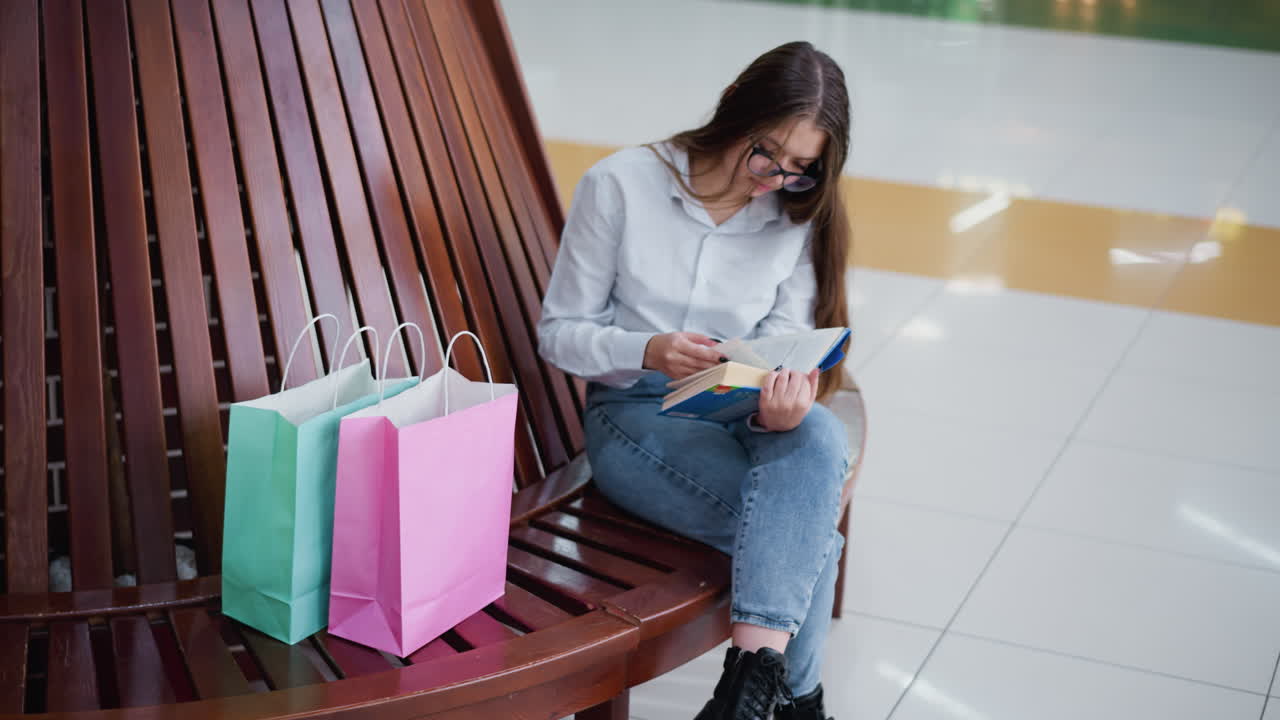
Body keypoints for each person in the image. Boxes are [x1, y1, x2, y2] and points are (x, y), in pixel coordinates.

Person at [537, 41, 854, 720]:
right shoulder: (621, 184)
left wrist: (781, 407)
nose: (775, 180)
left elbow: (785, 338)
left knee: (819, 436)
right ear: (738, 110)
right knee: (810, 533)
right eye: (767, 153)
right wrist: (647, 349)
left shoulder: (793, 216)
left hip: (740, 408)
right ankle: (797, 704)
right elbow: (558, 332)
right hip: (635, 412)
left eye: (802, 169)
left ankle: (747, 690)